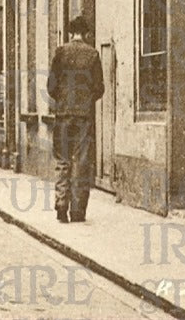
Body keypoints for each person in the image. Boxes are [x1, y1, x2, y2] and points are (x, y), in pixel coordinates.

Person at [47, 15, 105, 223]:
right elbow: (99, 88)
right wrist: (86, 101)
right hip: (83, 116)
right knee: (81, 161)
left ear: (71, 33)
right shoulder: (93, 54)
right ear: (86, 33)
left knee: (62, 159)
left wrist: (63, 100)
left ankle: (61, 206)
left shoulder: (60, 52)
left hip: (63, 115)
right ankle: (78, 211)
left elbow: (51, 87)